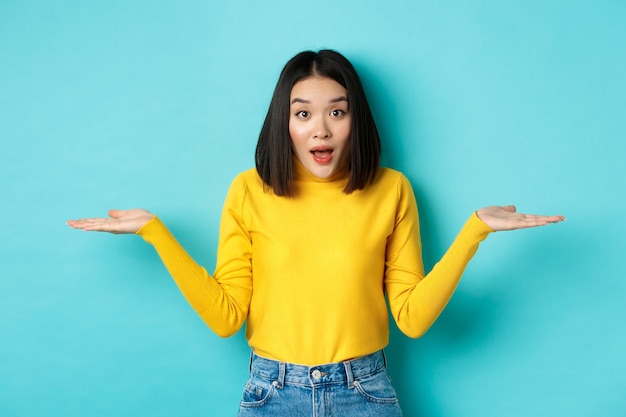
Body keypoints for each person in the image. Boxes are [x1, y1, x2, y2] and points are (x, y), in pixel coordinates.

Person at [67, 49, 564, 416]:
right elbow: (225, 318)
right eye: (303, 113)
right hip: (270, 392)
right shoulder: (248, 191)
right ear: (284, 123)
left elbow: (410, 318)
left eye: (337, 111)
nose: (320, 130)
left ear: (354, 120)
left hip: (364, 391)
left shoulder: (391, 190)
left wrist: (474, 232)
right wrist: (155, 233)